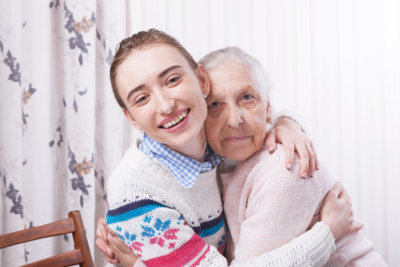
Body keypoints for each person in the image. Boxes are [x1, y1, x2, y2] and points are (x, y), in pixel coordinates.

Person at [97, 29, 357, 266]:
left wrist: (287, 123)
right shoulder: (138, 196)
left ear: (201, 81)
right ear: (130, 116)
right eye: (142, 98)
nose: (166, 106)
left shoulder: (210, 147)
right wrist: (328, 233)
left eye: (172, 80)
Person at [199, 46, 387, 266]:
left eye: (247, 97)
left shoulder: (284, 167)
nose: (234, 120)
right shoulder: (211, 163)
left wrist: (327, 233)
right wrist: (288, 121)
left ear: (268, 107)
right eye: (214, 104)